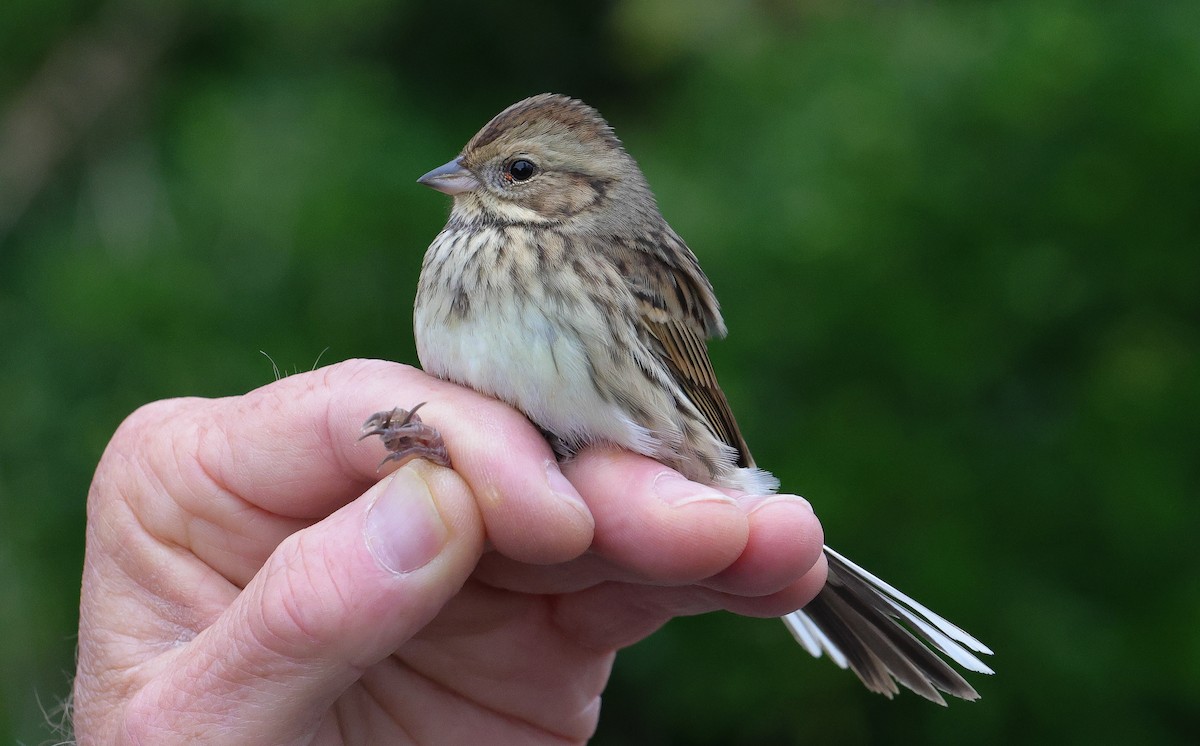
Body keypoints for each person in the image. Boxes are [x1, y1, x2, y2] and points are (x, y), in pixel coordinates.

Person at [73, 359, 826, 743]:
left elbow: (676, 388)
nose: (456, 182)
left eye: (516, 173)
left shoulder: (609, 252)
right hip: (548, 520)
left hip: (660, 455)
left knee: (730, 535)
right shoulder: (453, 259)